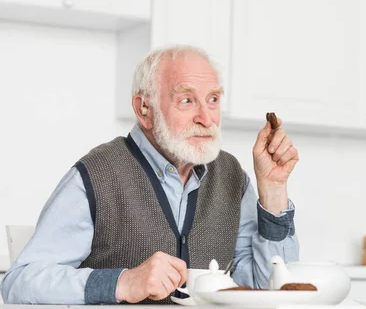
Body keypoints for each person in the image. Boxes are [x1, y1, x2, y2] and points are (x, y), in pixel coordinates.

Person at [1, 45, 300, 304]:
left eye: (213, 99)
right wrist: (123, 282)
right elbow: (19, 282)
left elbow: (267, 290)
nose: (206, 118)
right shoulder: (97, 175)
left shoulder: (232, 176)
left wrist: (273, 190)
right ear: (145, 109)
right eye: (186, 100)